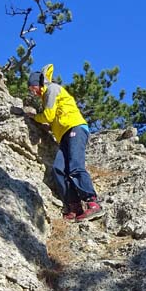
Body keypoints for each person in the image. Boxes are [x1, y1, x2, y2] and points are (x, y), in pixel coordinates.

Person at [27, 64, 103, 222]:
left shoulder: (52, 89)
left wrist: (33, 116)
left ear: (38, 84)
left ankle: (93, 203)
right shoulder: (46, 95)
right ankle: (74, 207)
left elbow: (48, 115)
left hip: (75, 127)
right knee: (58, 169)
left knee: (75, 165)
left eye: (31, 87)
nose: (31, 91)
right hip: (64, 135)